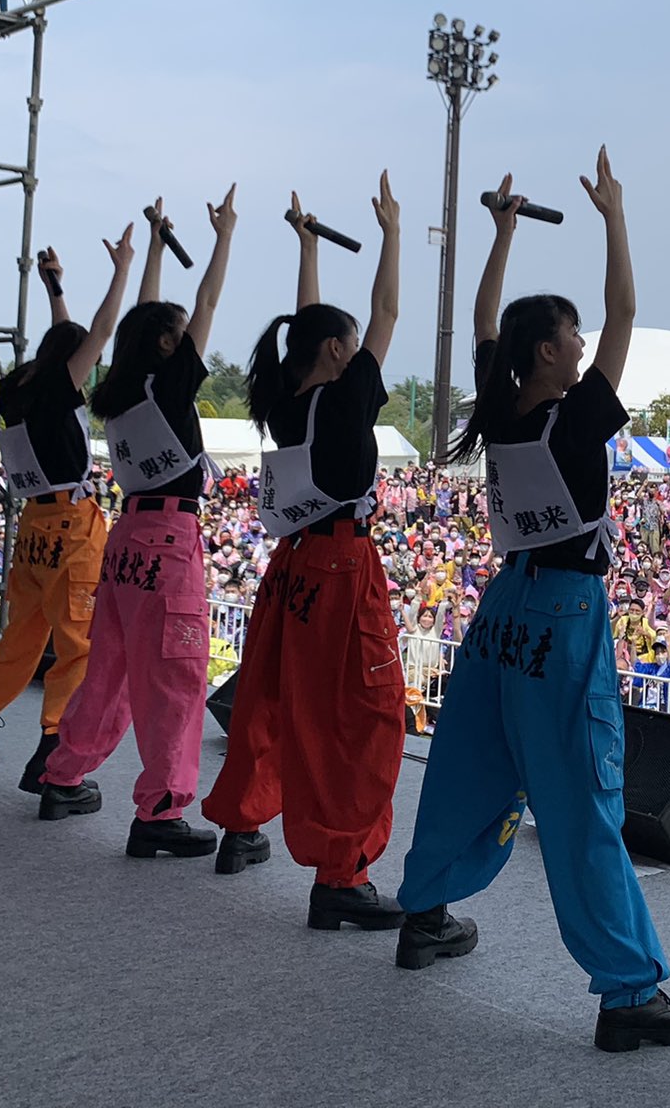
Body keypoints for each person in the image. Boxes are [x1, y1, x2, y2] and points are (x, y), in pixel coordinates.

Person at [395, 156, 670, 1054]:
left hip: (504, 608)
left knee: (467, 765)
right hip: (565, 615)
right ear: (548, 353)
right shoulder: (573, 420)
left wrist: (500, 234)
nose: (580, 345)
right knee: (580, 801)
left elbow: (485, 322)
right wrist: (615, 216)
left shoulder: (501, 410)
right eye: (570, 336)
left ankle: (424, 914)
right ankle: (628, 990)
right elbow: (626, 313)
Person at [202, 178, 409, 930]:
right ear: (337, 350)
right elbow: (387, 312)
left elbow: (308, 327)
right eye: (349, 344)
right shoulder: (347, 398)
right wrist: (391, 233)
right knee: (362, 718)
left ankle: (241, 825)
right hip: (343, 568)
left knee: (270, 698)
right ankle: (341, 875)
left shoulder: (287, 404)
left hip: (291, 566)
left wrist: (308, 247)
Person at [36, 189, 237, 860]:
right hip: (169, 544)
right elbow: (205, 302)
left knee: (109, 671)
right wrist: (223, 237)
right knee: (175, 680)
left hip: (126, 542)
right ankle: (160, 811)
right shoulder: (168, 387)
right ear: (166, 343)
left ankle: (63, 775)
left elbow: (151, 317)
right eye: (178, 333)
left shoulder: (122, 393)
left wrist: (152, 248)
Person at [0, 230, 133, 787]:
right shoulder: (58, 385)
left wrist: (55, 288)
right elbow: (98, 332)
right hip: (72, 527)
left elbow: (65, 341)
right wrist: (122, 269)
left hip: (33, 526)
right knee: (78, 646)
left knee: (22, 636)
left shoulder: (21, 388)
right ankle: (54, 749)